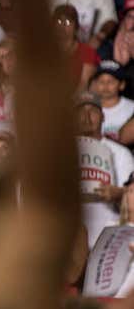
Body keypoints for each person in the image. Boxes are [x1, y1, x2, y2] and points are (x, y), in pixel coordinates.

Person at [76, 90, 134, 246]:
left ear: (103, 116)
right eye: (81, 111)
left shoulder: (120, 153)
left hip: (107, 241)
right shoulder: (62, 152)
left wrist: (118, 194)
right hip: (72, 243)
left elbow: (131, 196)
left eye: (92, 111)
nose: (86, 117)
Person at [53, 4, 99, 90]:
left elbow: (84, 83)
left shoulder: (87, 52)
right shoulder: (45, 50)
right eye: (59, 21)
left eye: (67, 22)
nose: (62, 25)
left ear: (76, 27)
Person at [89, 60, 134, 141]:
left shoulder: (131, 108)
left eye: (111, 81)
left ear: (122, 85)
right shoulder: (88, 109)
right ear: (95, 84)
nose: (106, 85)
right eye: (101, 81)